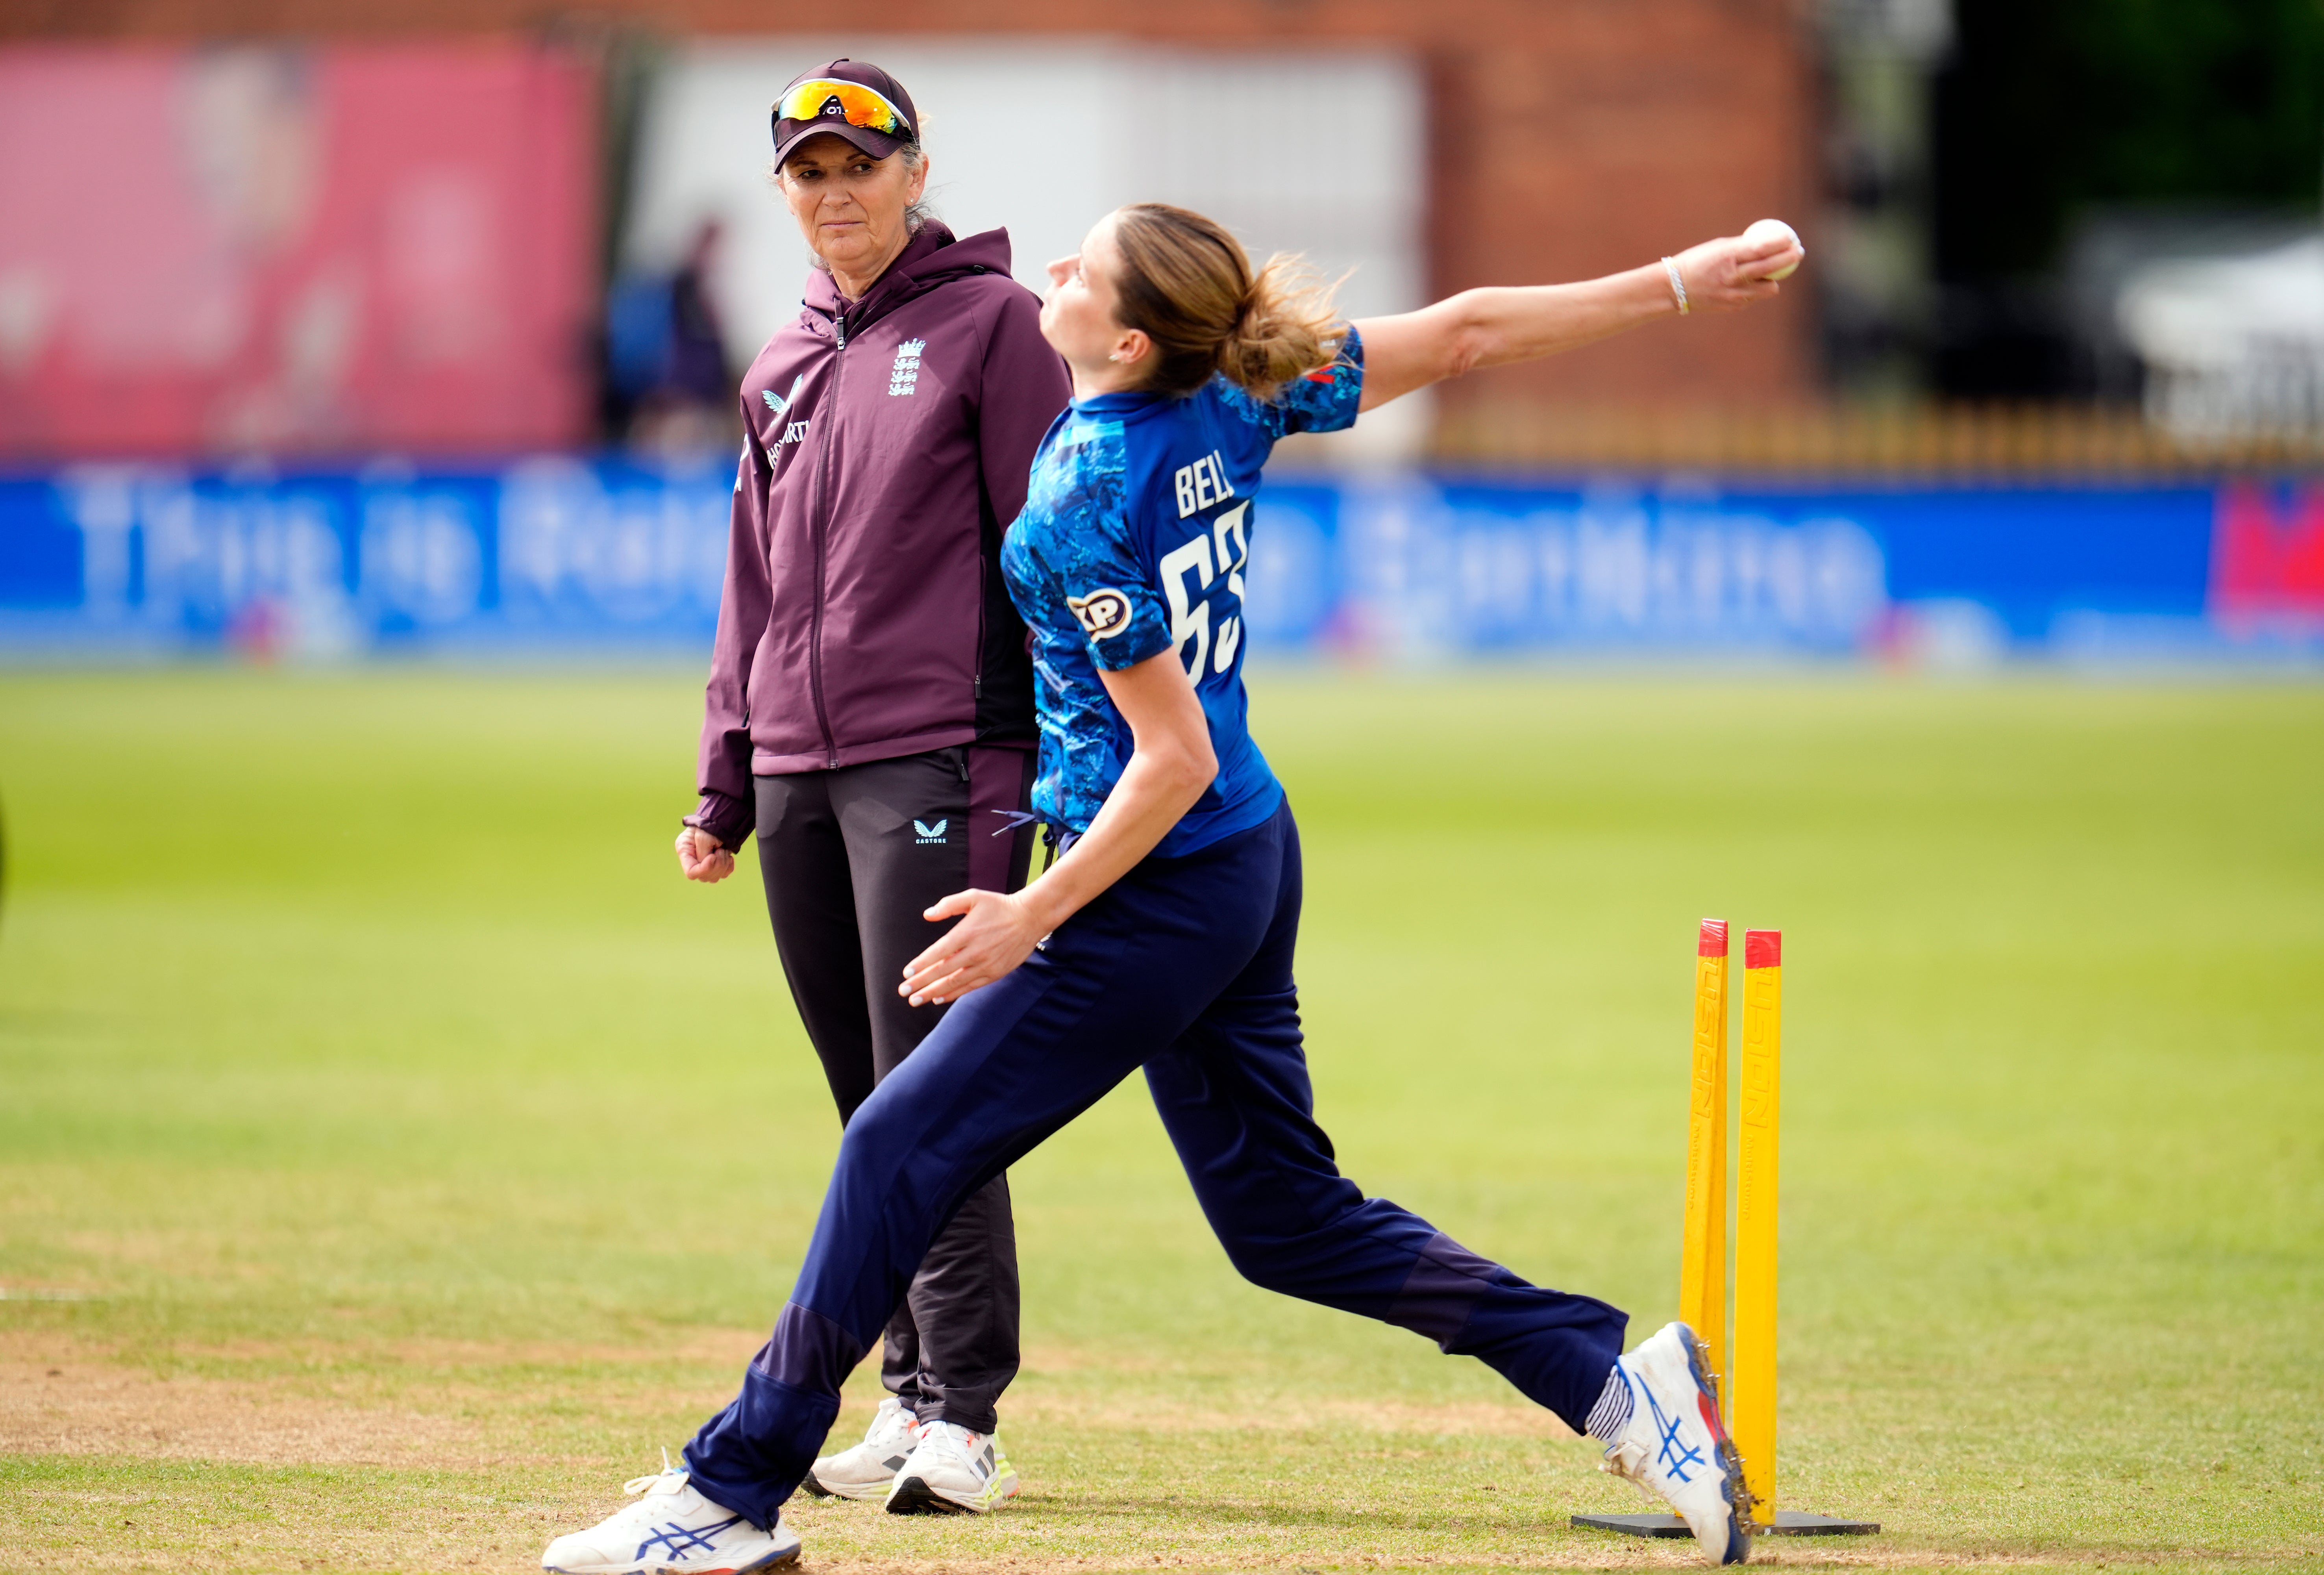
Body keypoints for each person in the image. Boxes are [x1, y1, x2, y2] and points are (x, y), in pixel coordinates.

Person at [551, 203, 1805, 1575]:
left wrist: (1033, 913)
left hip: (1152, 884)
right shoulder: (1237, 388)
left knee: (893, 1146)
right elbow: (1465, 335)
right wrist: (1678, 279)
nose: (1057, 269)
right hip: (1243, 853)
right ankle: (1619, 1389)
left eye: (1085, 267)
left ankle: (730, 1491)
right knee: (1285, 1222)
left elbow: (1171, 754)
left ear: (1131, 338)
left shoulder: (1086, 490)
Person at [669, 59, 1072, 1517]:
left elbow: (1049, 551)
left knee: (930, 1089)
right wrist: (724, 781)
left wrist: (1057, 760)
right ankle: (904, 1396)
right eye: (810, 173)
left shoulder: (995, 324)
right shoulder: (777, 362)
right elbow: (753, 585)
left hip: (942, 753)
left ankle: (966, 1417)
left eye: (861, 166)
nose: (836, 194)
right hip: (795, 765)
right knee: (867, 1102)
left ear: (915, 171)